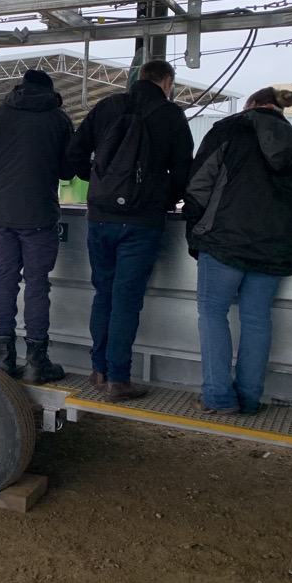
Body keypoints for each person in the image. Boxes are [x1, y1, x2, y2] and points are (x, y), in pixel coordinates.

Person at [183, 87, 292, 415]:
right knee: (257, 317)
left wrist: (197, 226)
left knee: (213, 314)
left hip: (223, 241)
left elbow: (198, 185)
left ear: (251, 105)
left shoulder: (229, 129)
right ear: (278, 109)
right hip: (277, 247)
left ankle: (218, 396)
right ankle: (248, 398)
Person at [67, 59, 193, 401]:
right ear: (167, 82)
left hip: (100, 217)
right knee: (126, 299)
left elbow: (72, 155)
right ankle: (118, 379)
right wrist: (162, 198)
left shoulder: (106, 106)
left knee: (104, 294)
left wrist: (98, 181)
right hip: (142, 223)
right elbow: (184, 171)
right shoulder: (170, 115)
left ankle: (98, 370)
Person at [0, 69, 74, 382]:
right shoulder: (59, 119)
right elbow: (68, 171)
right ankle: (36, 363)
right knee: (37, 285)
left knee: (6, 281)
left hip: (3, 214)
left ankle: (4, 358)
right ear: (49, 89)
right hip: (40, 214)